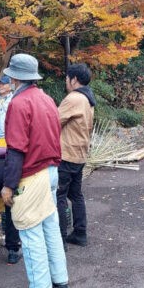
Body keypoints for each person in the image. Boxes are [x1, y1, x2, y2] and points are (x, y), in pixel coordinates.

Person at [1, 53, 69, 288]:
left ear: (14, 77)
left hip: (33, 174)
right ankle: (60, 283)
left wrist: (9, 184)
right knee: (50, 228)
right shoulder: (47, 99)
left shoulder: (19, 104)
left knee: (30, 233)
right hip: (52, 170)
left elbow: (16, 149)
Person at [57, 63, 95, 247]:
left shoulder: (74, 98)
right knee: (76, 195)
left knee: (59, 196)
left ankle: (60, 239)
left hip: (66, 154)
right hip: (80, 153)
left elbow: (54, 121)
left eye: (67, 78)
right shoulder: (89, 98)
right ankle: (80, 233)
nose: (66, 81)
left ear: (74, 79)